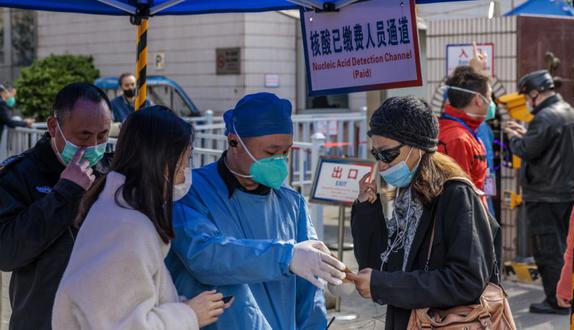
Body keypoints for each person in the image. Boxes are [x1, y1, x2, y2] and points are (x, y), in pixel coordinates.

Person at [167, 92, 346, 330]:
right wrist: (286, 256)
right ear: (234, 141)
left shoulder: (291, 204)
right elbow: (206, 256)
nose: (280, 161)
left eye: (286, 152)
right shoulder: (191, 192)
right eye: (271, 153)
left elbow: (309, 293)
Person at [52, 106, 231, 329]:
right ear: (161, 161)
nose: (186, 171)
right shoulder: (129, 227)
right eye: (184, 160)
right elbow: (124, 324)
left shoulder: (117, 212)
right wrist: (190, 314)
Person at [349, 96, 501, 330]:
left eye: (387, 154)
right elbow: (381, 264)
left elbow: (466, 280)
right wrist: (367, 210)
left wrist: (384, 285)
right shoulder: (407, 195)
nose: (382, 165)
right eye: (376, 154)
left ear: (417, 146)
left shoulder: (456, 195)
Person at [0, 82, 113, 329]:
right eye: (84, 135)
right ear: (54, 127)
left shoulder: (110, 169)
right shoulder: (20, 175)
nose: (93, 145)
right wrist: (64, 194)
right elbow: (6, 253)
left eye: (102, 136)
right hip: (41, 320)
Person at [504, 70, 574, 315]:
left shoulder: (544, 117)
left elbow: (527, 150)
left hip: (544, 194)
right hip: (564, 192)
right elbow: (547, 144)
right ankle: (565, 297)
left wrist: (513, 137)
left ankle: (556, 301)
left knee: (548, 250)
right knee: (562, 247)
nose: (526, 101)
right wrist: (526, 134)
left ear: (535, 94)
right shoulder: (566, 111)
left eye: (527, 97)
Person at [438, 66, 494, 191]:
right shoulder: (458, 139)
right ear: (479, 100)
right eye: (490, 98)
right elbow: (459, 195)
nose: (491, 103)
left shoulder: (464, 132)